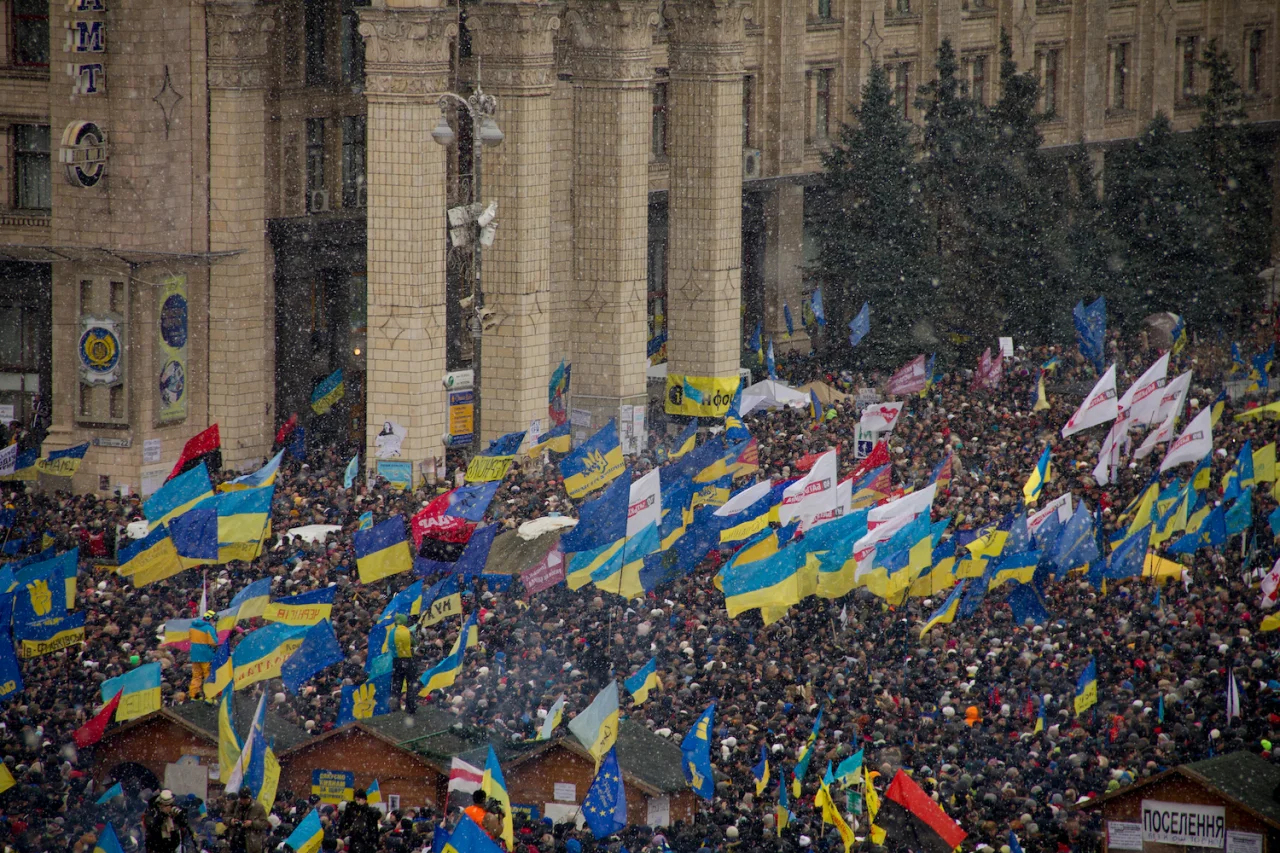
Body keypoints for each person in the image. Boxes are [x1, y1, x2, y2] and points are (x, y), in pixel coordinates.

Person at [142, 789, 191, 853]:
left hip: (172, 847)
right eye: (167, 805)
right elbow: (151, 826)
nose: (170, 807)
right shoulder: (152, 811)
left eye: (171, 804)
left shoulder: (174, 809)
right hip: (156, 847)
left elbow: (184, 824)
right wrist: (163, 815)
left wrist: (180, 816)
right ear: (161, 804)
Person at [224, 788, 270, 853]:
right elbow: (225, 817)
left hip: (251, 843)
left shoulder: (258, 807)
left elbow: (265, 823)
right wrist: (231, 821)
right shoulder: (235, 805)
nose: (243, 802)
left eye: (245, 799)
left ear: (249, 798)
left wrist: (252, 823)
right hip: (235, 840)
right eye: (241, 799)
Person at [339, 788, 383, 853]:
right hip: (355, 843)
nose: (357, 802)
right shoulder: (352, 811)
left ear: (364, 800)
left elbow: (377, 814)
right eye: (355, 800)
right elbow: (344, 824)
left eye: (359, 800)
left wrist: (363, 808)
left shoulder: (369, 811)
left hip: (368, 843)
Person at [391, 613, 417, 714]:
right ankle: (410, 707)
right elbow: (415, 643)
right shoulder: (406, 631)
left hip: (396, 661)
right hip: (408, 659)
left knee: (397, 684)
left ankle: (395, 707)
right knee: (411, 683)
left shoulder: (392, 632)